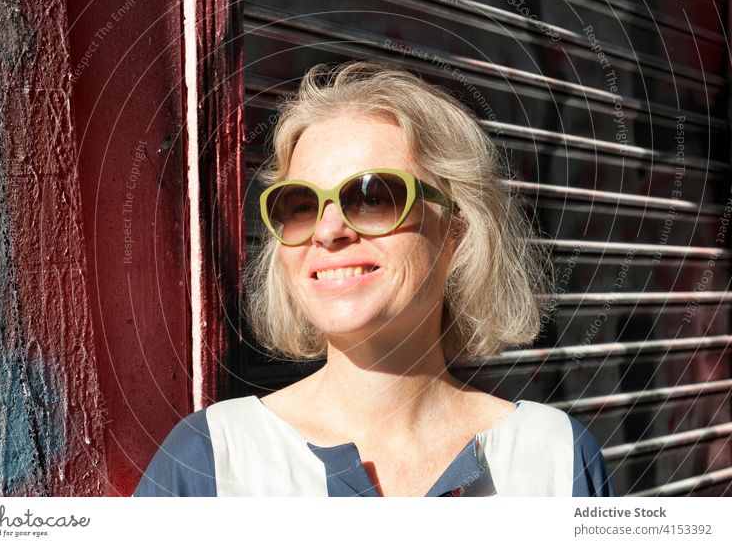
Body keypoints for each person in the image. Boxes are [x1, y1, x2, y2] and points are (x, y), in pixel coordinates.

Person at [134, 60, 616, 497]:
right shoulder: (210, 462)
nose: (327, 231)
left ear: (458, 230)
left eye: (373, 197)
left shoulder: (555, 458)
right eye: (299, 206)